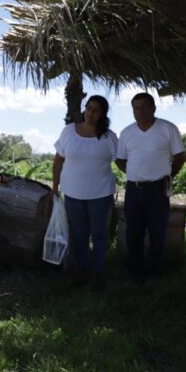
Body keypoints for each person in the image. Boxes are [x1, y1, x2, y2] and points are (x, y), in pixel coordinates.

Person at [115, 92, 186, 282]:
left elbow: (179, 157)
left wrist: (169, 176)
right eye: (136, 108)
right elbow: (120, 159)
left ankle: (155, 271)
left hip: (158, 190)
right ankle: (135, 271)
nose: (141, 111)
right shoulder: (127, 132)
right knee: (134, 232)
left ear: (153, 108)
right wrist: (134, 173)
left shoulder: (167, 128)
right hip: (134, 189)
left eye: (145, 107)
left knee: (157, 231)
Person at [51, 95, 118, 287]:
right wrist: (54, 188)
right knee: (80, 234)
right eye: (88, 108)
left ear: (103, 114)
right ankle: (81, 271)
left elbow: (121, 161)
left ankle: (97, 273)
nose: (91, 113)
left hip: (101, 194)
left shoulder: (109, 137)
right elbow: (58, 161)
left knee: (98, 234)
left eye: (96, 110)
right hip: (73, 194)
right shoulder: (69, 132)